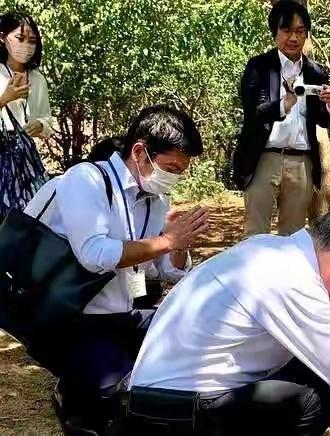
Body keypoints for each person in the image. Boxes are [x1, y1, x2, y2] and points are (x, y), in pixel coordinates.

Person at [128, 204, 330, 435]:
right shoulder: (292, 280)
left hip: (162, 400)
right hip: (176, 414)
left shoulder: (272, 250)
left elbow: (317, 325)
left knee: (312, 367)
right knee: (319, 394)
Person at [23, 105, 211, 431]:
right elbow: (94, 254)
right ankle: (79, 401)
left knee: (192, 337)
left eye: (181, 171)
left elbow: (162, 271)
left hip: (119, 315)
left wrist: (178, 245)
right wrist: (167, 240)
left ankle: (87, 395)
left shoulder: (155, 199)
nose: (174, 177)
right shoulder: (86, 179)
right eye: (170, 168)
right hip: (66, 318)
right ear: (139, 152)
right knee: (116, 396)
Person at [233, 0, 330, 237]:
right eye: (287, 30)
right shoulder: (259, 66)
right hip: (264, 157)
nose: (293, 38)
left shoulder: (315, 71)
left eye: (300, 31)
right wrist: (284, 104)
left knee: (293, 235)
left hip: (302, 162)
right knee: (256, 232)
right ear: (275, 33)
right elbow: (254, 111)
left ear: (306, 34)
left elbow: (323, 119)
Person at [0, 12, 54, 220]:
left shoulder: (37, 79)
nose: (26, 46)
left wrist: (40, 125)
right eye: (20, 38)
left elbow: (47, 121)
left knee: (28, 219)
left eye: (32, 41)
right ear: (3, 37)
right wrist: (4, 99)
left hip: (24, 164)